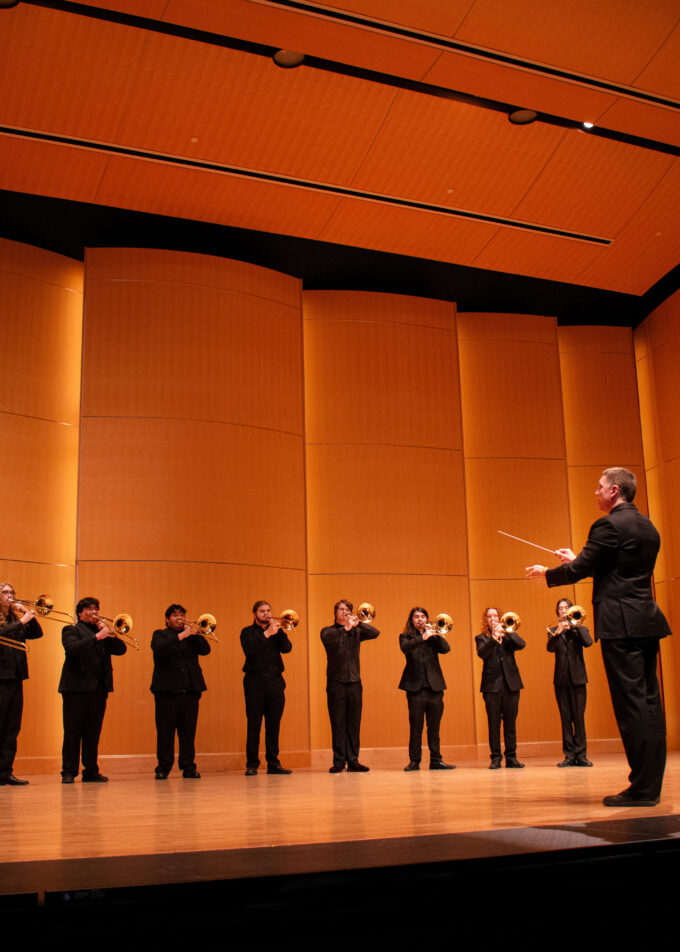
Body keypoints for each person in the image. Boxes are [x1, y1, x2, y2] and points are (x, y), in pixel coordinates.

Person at [527, 467, 671, 807]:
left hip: (620, 626)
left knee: (631, 706)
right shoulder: (647, 526)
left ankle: (641, 789)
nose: (596, 492)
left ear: (615, 490)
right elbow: (616, 568)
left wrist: (547, 574)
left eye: (600, 487)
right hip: (646, 621)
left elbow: (580, 571)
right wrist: (580, 558)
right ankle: (651, 785)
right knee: (650, 704)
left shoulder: (607, 524)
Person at [59, 596, 127, 783]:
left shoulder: (102, 632)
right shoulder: (71, 629)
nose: (94, 612)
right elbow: (71, 648)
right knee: (73, 732)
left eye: (96, 608)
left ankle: (91, 770)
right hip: (75, 689)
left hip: (98, 688)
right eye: (89, 609)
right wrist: (97, 636)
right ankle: (68, 771)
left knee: (93, 732)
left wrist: (110, 634)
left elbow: (121, 649)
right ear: (80, 613)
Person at [151, 604, 210, 780]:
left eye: (182, 615)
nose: (180, 619)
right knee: (165, 732)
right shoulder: (160, 635)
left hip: (190, 691)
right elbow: (159, 649)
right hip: (166, 692)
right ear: (167, 619)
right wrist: (181, 635)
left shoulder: (192, 636)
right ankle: (163, 767)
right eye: (175, 616)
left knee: (188, 732)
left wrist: (196, 634)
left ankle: (188, 767)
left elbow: (206, 650)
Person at [321, 599, 379, 773]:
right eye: (341, 609)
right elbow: (331, 643)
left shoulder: (357, 630)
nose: (344, 612)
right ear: (335, 613)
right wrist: (346, 628)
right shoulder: (328, 631)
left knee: (354, 723)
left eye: (347, 610)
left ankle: (353, 760)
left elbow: (376, 632)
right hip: (336, 682)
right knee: (338, 723)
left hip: (355, 682)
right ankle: (338, 761)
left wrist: (358, 621)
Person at [240, 600, 293, 776]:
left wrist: (280, 632)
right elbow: (250, 650)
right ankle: (252, 764)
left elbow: (287, 649)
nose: (267, 614)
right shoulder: (247, 632)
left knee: (273, 724)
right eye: (262, 611)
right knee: (254, 723)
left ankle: (273, 763)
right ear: (255, 614)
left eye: (269, 610)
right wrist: (267, 634)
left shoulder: (277, 631)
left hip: (275, 681)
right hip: (254, 681)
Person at [399, 607, 454, 771]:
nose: (420, 619)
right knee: (416, 727)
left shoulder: (433, 637)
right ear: (412, 620)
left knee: (434, 727)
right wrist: (423, 637)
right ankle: (415, 761)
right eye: (416, 617)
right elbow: (405, 648)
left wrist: (435, 635)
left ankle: (436, 760)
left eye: (423, 617)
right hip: (415, 689)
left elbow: (446, 649)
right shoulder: (406, 637)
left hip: (434, 688)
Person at [0, 583, 43, 786]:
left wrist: (28, 615)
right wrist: (22, 620)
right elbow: (2, 634)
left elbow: (36, 634)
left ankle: (5, 772)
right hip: (1, 677)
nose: (11, 596)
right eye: (6, 592)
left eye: (12, 592)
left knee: (11, 727)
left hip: (16, 677)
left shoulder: (13, 618)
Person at [475, 607, 526, 769]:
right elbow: (482, 653)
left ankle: (511, 758)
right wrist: (493, 638)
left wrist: (508, 632)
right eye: (489, 616)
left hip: (511, 685)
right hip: (491, 687)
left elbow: (521, 644)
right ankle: (496, 758)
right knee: (494, 723)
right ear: (486, 621)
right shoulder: (482, 638)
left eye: (495, 615)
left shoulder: (508, 635)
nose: (493, 619)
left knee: (510, 723)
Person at [547, 598, 593, 767]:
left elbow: (588, 642)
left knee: (579, 718)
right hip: (561, 680)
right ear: (557, 612)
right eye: (560, 608)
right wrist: (558, 632)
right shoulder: (553, 630)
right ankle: (568, 755)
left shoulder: (581, 629)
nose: (563, 610)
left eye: (566, 607)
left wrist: (574, 627)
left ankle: (581, 755)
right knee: (565, 719)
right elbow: (550, 648)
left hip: (578, 679)